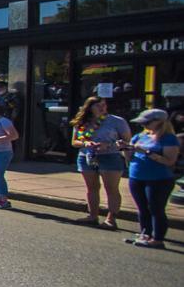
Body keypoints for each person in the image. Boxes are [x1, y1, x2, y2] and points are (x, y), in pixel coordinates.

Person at [70, 95, 131, 229]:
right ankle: (93, 216)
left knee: (111, 188)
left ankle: (111, 218)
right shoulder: (82, 121)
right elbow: (74, 141)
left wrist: (108, 145)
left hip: (110, 157)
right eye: (99, 106)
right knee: (92, 188)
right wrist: (86, 143)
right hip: (87, 156)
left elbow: (127, 142)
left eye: (104, 105)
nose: (103, 108)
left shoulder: (116, 121)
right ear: (90, 107)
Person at [125, 108, 178, 249]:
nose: (144, 126)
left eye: (147, 123)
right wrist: (125, 149)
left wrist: (147, 152)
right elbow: (129, 158)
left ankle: (158, 239)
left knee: (156, 208)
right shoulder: (139, 136)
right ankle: (145, 234)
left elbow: (170, 161)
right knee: (142, 208)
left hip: (159, 179)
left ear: (159, 122)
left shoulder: (169, 138)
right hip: (136, 176)